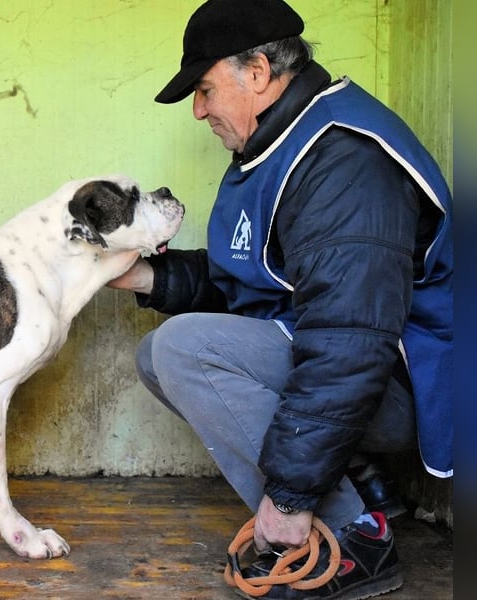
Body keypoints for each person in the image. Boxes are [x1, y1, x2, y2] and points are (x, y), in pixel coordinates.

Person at [108, 1, 453, 598]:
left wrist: (290, 497)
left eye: (206, 89)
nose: (199, 110)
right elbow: (251, 279)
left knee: (185, 350)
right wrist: (142, 277)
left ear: (259, 73)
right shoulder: (280, 141)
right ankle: (357, 482)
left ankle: (352, 539)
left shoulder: (343, 157)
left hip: (403, 385)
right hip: (359, 371)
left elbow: (351, 343)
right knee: (156, 356)